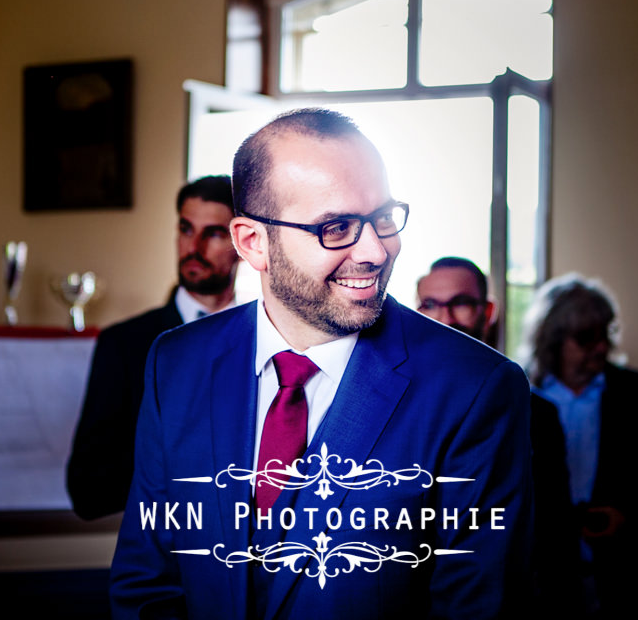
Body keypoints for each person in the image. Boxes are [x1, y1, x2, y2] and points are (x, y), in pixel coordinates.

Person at [110, 108, 532, 619]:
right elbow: (147, 583)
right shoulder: (175, 363)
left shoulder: (477, 389)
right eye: (336, 226)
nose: (376, 251)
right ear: (253, 243)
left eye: (382, 216)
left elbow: (475, 611)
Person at [66, 175, 240, 521]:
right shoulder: (123, 344)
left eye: (214, 234)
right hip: (165, 552)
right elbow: (87, 489)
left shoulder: (270, 340)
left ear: (245, 243)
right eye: (186, 229)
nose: (194, 247)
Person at [417, 256, 583, 618]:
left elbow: (555, 532)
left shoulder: (536, 413)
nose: (444, 318)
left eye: (460, 303)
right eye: (429, 305)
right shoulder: (396, 409)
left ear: (487, 311)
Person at [521, 273, 638, 618]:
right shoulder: (519, 399)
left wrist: (629, 516)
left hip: (626, 577)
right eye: (586, 337)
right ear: (552, 338)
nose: (602, 347)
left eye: (605, 334)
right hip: (544, 582)